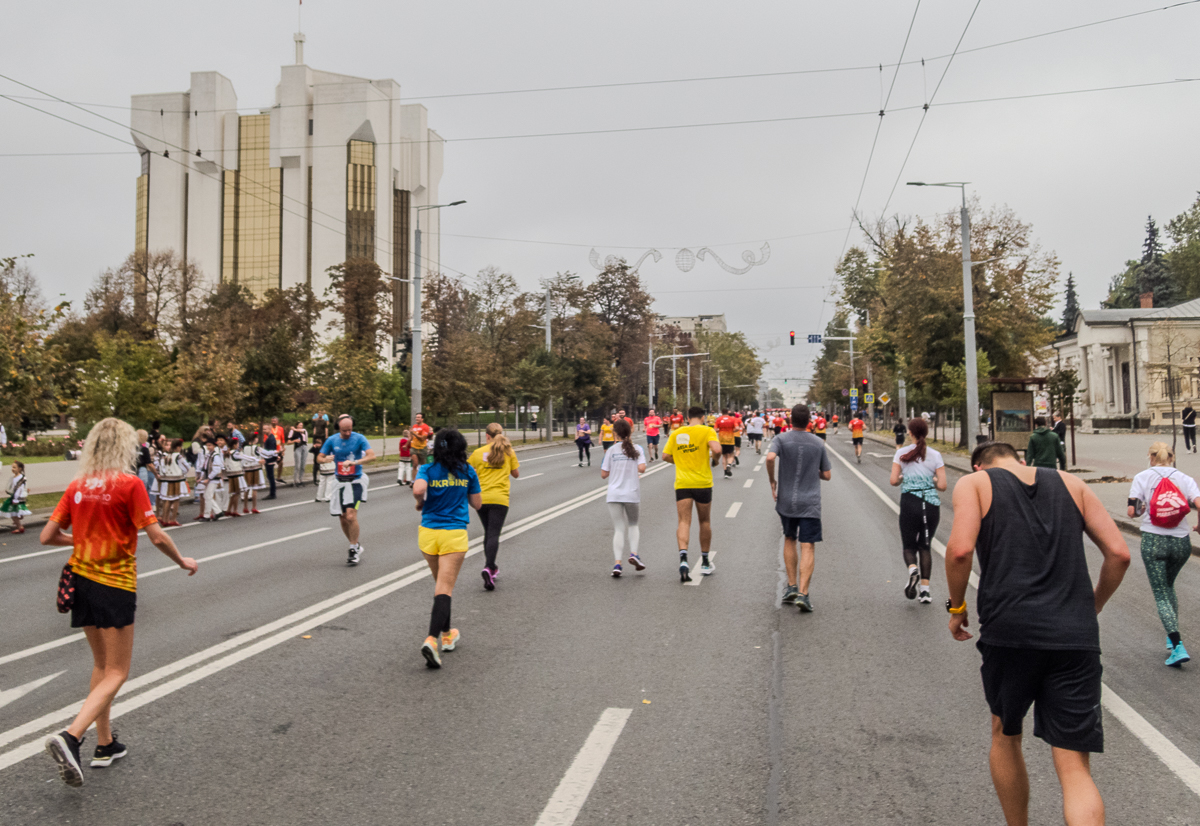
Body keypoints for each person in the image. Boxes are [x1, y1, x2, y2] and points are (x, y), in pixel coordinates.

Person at [945, 441, 1130, 826]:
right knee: (1074, 765)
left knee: (1004, 733)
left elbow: (960, 550)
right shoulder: (1072, 484)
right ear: (1021, 459)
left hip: (1010, 633)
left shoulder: (975, 485)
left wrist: (957, 608)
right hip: (1075, 636)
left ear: (979, 465)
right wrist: (1093, 604)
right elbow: (1119, 553)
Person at [40, 417, 198, 787]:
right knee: (118, 672)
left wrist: (82, 541)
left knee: (101, 666)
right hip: (114, 584)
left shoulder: (78, 485)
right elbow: (157, 536)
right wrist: (183, 561)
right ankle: (70, 736)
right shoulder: (129, 485)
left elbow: (48, 536)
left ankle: (105, 743)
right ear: (126, 447)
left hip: (81, 581)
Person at [413, 428, 482, 668]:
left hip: (428, 534)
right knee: (445, 587)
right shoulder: (468, 471)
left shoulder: (428, 469)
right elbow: (477, 503)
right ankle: (431, 639)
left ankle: (447, 635)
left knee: (442, 586)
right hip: (453, 534)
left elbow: (418, 489)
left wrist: (420, 502)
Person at [1128, 442, 1199, 667]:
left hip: (1153, 541)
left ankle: (1177, 646)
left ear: (1150, 457)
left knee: (1160, 592)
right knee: (1168, 586)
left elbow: (1131, 512)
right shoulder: (1185, 479)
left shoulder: (1142, 477)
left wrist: (1140, 510)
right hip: (1181, 542)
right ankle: (1170, 637)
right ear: (1171, 457)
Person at [766, 405, 831, 612]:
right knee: (808, 545)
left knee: (789, 538)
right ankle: (803, 594)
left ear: (789, 421)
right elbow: (827, 475)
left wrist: (772, 481)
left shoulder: (781, 439)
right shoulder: (818, 442)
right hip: (810, 502)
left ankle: (791, 586)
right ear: (809, 422)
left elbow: (769, 458)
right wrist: (814, 471)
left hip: (787, 500)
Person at [889, 418, 947, 604]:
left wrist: (901, 479)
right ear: (927, 433)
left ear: (910, 433)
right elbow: (943, 485)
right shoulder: (936, 455)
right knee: (925, 546)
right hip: (930, 505)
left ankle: (912, 568)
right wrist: (933, 481)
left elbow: (893, 481)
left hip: (910, 503)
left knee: (909, 545)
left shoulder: (901, 453)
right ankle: (925, 591)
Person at [663, 406, 722, 582]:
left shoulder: (676, 433)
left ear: (688, 418)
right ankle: (704, 562)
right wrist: (715, 460)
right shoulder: (707, 431)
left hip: (682, 484)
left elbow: (665, 456)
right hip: (703, 483)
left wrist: (680, 462)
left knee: (683, 521)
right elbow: (717, 450)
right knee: (704, 521)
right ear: (703, 417)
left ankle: (683, 560)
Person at [317, 414, 376, 565]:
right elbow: (319, 457)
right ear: (339, 429)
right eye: (344, 431)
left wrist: (355, 462)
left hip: (356, 481)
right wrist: (325, 459)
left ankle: (352, 549)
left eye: (350, 430)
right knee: (342, 516)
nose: (348, 433)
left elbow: (371, 456)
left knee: (350, 515)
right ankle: (355, 544)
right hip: (340, 482)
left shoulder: (359, 438)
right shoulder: (332, 440)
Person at [468, 423, 520, 590]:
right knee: (493, 534)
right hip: (500, 499)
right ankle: (489, 567)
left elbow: (468, 472)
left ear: (487, 436)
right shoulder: (508, 452)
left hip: (481, 499)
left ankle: (491, 566)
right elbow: (516, 474)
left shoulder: (477, 453)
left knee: (488, 533)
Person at [602, 418, 647, 577]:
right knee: (633, 524)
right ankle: (634, 553)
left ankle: (617, 564)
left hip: (614, 494)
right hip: (631, 493)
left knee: (619, 528)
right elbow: (642, 468)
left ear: (615, 433)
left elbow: (603, 474)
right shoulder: (638, 449)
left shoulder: (611, 450)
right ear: (630, 431)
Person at [155, 441, 190, 527]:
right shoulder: (178, 456)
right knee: (176, 499)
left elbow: (161, 468)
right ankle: (173, 519)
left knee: (167, 500)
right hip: (176, 480)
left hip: (167, 479)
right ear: (177, 447)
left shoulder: (166, 456)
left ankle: (165, 519)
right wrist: (182, 472)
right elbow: (187, 467)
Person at [239, 432, 265, 515]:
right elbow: (264, 454)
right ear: (255, 439)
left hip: (247, 469)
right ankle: (254, 507)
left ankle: (245, 507)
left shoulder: (245, 447)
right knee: (254, 488)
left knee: (247, 489)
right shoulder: (256, 448)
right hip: (255, 468)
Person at [2, 460, 30, 533]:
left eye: (14, 467)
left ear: (19, 469)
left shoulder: (21, 478)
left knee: (12, 513)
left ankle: (20, 527)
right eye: (12, 467)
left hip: (17, 498)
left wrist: (16, 499)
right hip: (15, 497)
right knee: (14, 512)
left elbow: (19, 489)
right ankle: (19, 519)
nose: (12, 469)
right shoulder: (15, 477)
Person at [135, 430, 157, 508]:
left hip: (132, 470)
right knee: (142, 489)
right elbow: (149, 463)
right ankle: (143, 506)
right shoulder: (144, 449)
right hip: (142, 469)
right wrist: (155, 472)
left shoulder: (131, 448)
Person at [714, 409, 738, 479]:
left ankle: (725, 473)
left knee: (724, 456)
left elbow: (715, 429)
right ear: (728, 412)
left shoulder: (718, 419)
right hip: (730, 440)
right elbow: (737, 428)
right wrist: (732, 430)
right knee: (731, 454)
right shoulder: (732, 419)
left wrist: (720, 430)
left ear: (721, 413)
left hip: (721, 440)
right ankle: (729, 464)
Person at [288, 420, 309, 486]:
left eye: (302, 425)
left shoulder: (304, 430)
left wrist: (294, 429)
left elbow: (302, 431)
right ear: (297, 425)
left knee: (303, 465)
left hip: (304, 447)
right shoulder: (292, 431)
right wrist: (294, 441)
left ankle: (301, 479)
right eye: (300, 425)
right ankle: (295, 480)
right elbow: (288, 442)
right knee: (298, 465)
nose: (301, 426)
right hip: (298, 448)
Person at [311, 413, 330, 484]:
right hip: (317, 436)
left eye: (321, 413)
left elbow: (326, 429)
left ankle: (322, 477)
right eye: (319, 413)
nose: (320, 415)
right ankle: (315, 479)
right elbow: (315, 428)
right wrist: (314, 437)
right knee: (315, 461)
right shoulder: (316, 421)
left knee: (321, 458)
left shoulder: (324, 421)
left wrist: (326, 437)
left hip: (322, 436)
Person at [261, 426, 279, 500]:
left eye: (265, 429)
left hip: (270, 460)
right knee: (270, 476)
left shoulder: (271, 438)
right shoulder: (269, 438)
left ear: (269, 429)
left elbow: (271, 450)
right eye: (263, 429)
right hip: (269, 459)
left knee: (270, 476)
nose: (264, 430)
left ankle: (272, 493)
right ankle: (272, 492)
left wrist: (267, 458)